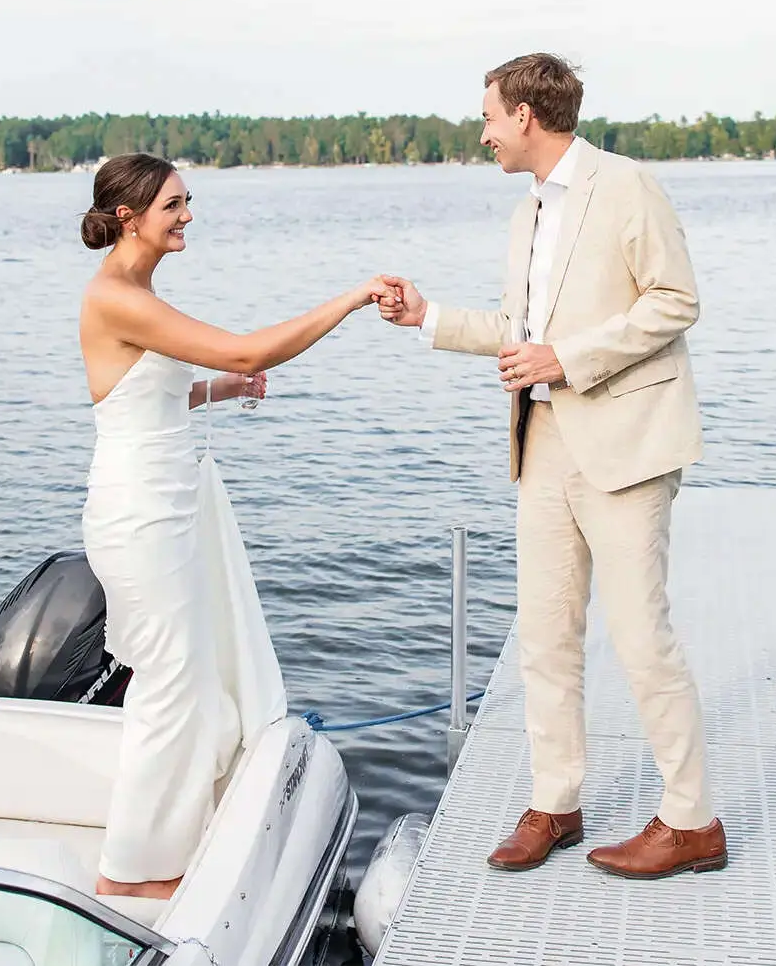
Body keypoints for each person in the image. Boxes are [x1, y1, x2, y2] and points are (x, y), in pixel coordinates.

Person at [378, 54, 725, 880]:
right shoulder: (527, 211)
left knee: (642, 639)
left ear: (528, 116)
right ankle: (555, 801)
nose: (485, 131)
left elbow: (676, 301)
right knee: (544, 636)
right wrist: (426, 317)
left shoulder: (626, 185)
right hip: (541, 447)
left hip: (626, 443)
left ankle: (692, 821)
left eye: (491, 116)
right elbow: (516, 325)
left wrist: (566, 358)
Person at [77, 152, 387, 899]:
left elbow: (141, 399)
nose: (187, 215)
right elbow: (249, 342)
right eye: (174, 205)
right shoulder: (117, 295)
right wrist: (349, 300)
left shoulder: (138, 292)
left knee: (190, 677)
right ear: (129, 217)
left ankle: (167, 844)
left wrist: (219, 388)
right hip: (140, 514)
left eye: (188, 201)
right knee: (170, 685)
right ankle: (131, 872)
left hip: (171, 504)